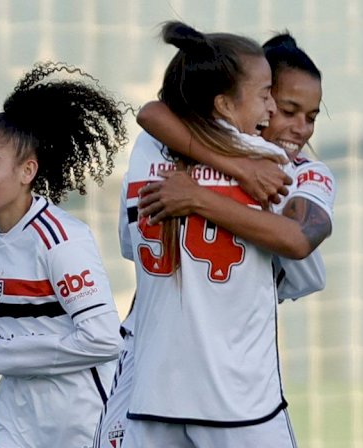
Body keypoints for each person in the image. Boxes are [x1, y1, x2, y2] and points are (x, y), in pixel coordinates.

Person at [94, 31, 333, 448]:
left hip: (153, 382)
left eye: (310, 117)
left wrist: (199, 195)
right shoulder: (273, 165)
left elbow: (151, 114)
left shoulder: (152, 147)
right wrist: (232, 173)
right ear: (231, 98)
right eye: (278, 104)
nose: (295, 126)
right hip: (233, 393)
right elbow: (297, 245)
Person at [0, 62, 127, 448]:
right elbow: (22, 336)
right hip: (17, 419)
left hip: (82, 421)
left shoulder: (61, 240)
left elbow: (104, 341)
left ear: (28, 171)